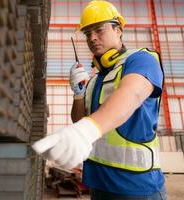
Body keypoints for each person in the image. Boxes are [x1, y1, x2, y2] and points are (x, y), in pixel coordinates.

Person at [32, 1, 167, 199]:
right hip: (97, 185)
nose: (92, 38)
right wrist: (78, 94)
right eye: (87, 33)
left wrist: (87, 130)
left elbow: (133, 93)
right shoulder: (95, 79)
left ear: (118, 30)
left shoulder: (141, 60)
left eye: (99, 30)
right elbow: (79, 121)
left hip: (137, 188)